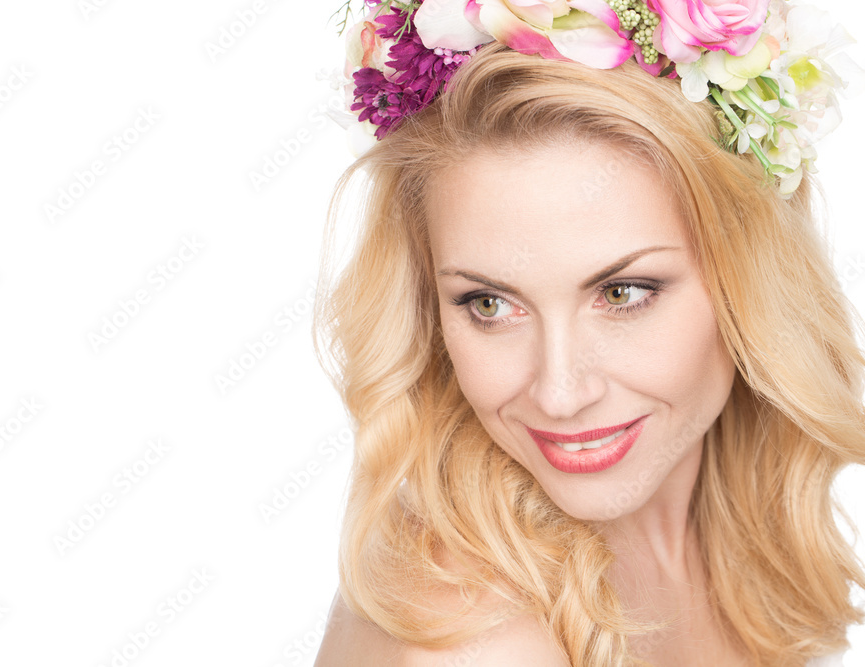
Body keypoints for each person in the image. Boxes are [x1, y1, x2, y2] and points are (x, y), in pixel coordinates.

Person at [312, 1, 865, 665]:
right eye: (489, 304)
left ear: (749, 276)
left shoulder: (740, 546)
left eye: (622, 293)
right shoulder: (478, 641)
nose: (560, 393)